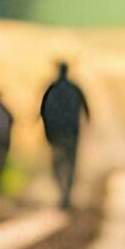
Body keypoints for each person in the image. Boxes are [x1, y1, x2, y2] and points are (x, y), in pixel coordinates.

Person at [39, 62, 90, 209]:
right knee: (70, 165)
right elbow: (87, 111)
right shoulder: (75, 88)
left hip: (56, 135)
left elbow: (42, 112)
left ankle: (63, 194)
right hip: (71, 134)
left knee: (57, 165)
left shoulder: (51, 88)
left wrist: (46, 132)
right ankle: (65, 195)